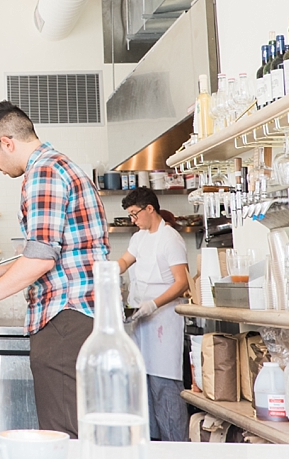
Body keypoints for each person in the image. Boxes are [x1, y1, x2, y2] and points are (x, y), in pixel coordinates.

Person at [0, 101, 108, 438]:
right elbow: (59, 244)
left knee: (64, 436)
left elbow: (41, 258)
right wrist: (3, 270)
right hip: (78, 317)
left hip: (64, 319)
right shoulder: (59, 166)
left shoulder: (43, 172)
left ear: (7, 142)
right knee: (78, 429)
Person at [116, 187, 190, 442]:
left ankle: (176, 449)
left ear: (150, 208)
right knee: (143, 388)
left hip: (164, 321)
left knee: (164, 387)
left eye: (135, 214)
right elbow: (124, 262)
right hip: (141, 322)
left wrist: (154, 304)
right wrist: (100, 270)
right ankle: (151, 449)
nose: (133, 220)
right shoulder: (139, 238)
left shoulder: (170, 239)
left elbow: (182, 283)